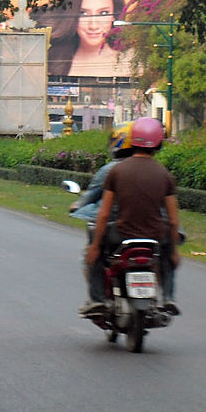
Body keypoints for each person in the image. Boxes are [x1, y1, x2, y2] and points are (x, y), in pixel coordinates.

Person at [85, 117, 181, 316]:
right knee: (165, 258)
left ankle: (98, 300)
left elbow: (103, 214)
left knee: (94, 257)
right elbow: (172, 219)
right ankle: (168, 298)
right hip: (155, 236)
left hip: (121, 234)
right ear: (158, 144)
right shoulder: (165, 175)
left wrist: (94, 247)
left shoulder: (116, 171)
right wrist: (173, 252)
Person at [72, 122, 133, 311]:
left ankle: (97, 299)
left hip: (114, 228)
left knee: (93, 254)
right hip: (147, 229)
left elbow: (93, 197)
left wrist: (78, 205)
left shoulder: (109, 170)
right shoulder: (154, 169)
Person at [31, 0, 129, 76]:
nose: (93, 25)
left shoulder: (131, 62)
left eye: (103, 13)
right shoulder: (50, 62)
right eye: (83, 13)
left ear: (114, 15)